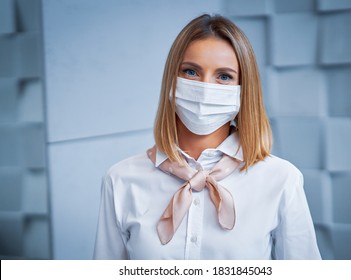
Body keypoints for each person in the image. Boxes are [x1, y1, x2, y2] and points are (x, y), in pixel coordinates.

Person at [93, 14, 321, 260]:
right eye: (191, 71)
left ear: (243, 90)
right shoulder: (120, 180)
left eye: (224, 76)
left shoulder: (281, 180)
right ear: (172, 80)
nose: (204, 88)